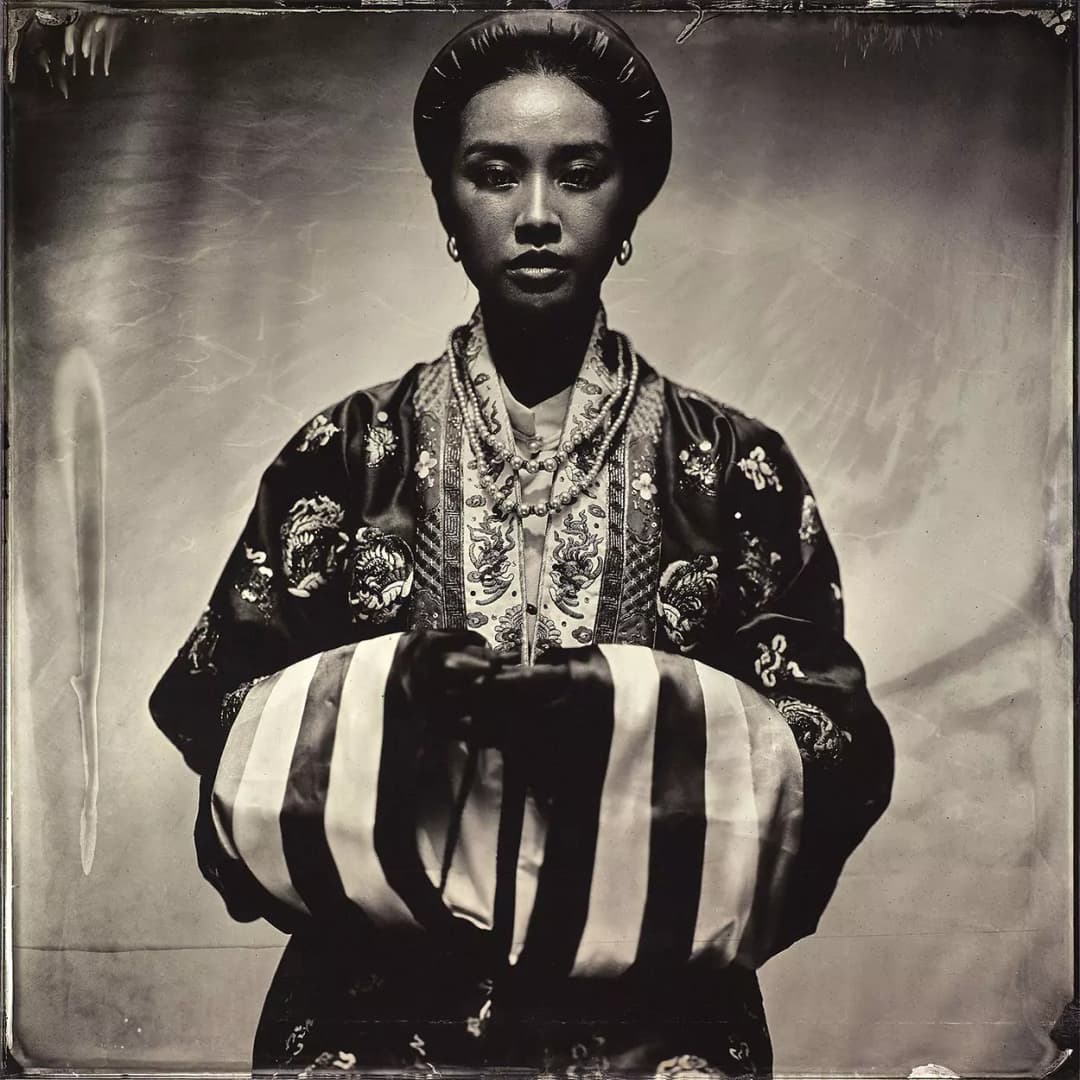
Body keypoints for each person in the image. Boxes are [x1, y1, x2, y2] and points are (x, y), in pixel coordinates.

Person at [150, 12, 893, 1077]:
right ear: (448, 207)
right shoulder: (347, 455)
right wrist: (382, 695)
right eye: (495, 173)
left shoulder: (733, 469)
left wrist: (640, 714)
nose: (537, 215)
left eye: (579, 173)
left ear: (629, 199)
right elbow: (213, 706)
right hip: (375, 1028)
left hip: (658, 1034)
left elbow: (836, 749)